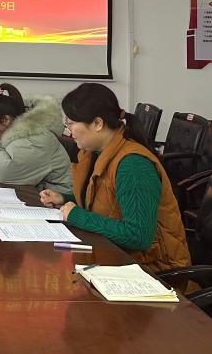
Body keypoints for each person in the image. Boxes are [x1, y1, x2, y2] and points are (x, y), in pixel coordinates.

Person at [38, 84, 191, 273]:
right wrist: (64, 199)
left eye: (71, 122)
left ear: (97, 124)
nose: (67, 129)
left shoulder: (133, 165)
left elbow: (138, 236)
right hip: (112, 255)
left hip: (150, 269)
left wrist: (76, 215)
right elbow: (107, 204)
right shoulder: (94, 153)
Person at [0, 84, 72, 193]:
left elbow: (5, 172)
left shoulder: (35, 138)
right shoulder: (12, 131)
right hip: (37, 192)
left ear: (5, 120)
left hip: (60, 197)